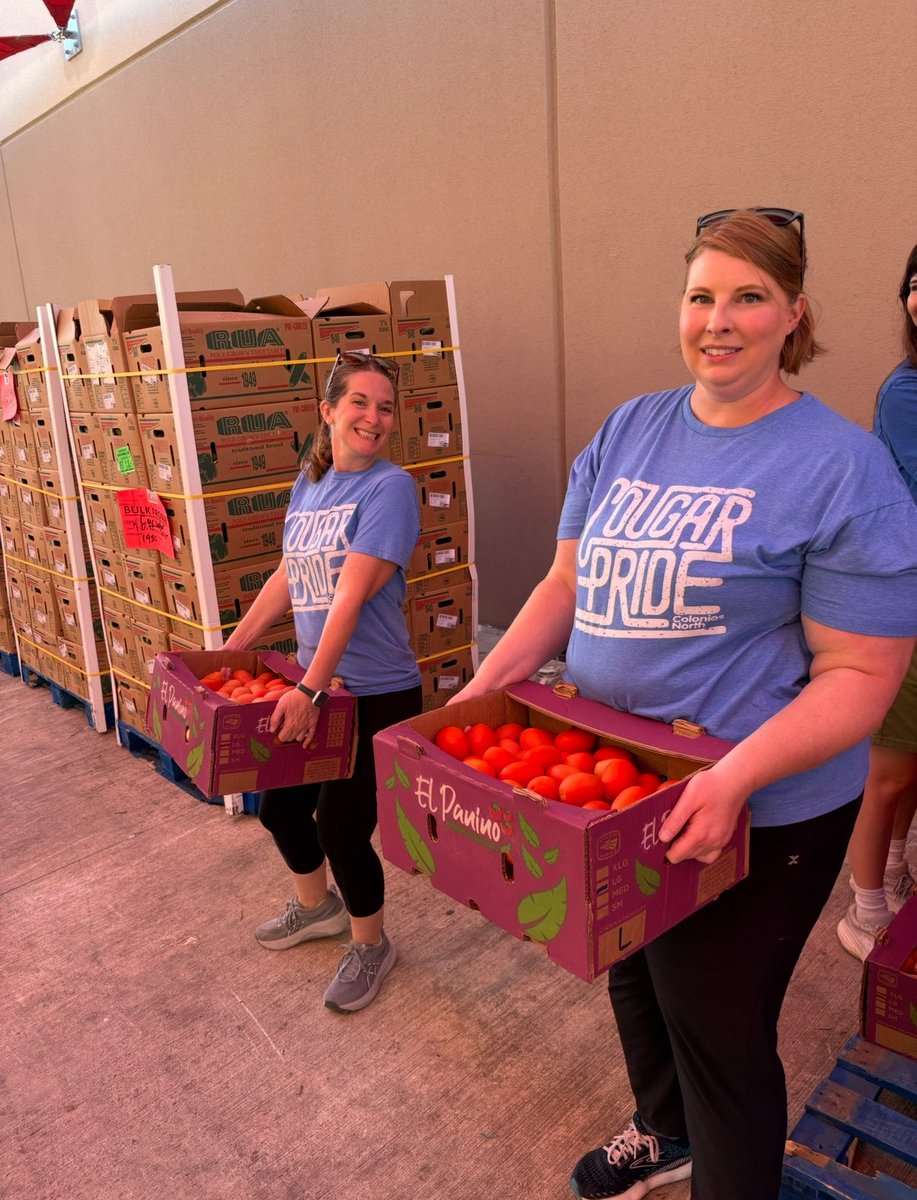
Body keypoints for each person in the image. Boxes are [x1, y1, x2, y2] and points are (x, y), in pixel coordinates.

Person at [450, 210, 917, 1200]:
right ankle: (661, 1131)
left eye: (747, 296)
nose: (718, 319)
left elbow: (860, 679)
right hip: (623, 788)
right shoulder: (628, 428)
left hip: (763, 811)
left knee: (716, 1025)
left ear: (793, 315)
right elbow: (562, 587)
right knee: (632, 964)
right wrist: (490, 686)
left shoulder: (841, 467)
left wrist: (736, 772)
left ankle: (718, 1164)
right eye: (700, 295)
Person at [223, 350, 422, 1013]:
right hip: (316, 686)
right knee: (279, 808)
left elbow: (349, 596)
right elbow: (289, 575)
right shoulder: (309, 485)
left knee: (341, 827)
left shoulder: (388, 489)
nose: (373, 417)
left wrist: (307, 690)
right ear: (328, 411)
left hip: (373, 692)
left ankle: (371, 944)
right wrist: (232, 649)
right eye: (360, 403)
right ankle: (317, 910)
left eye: (385, 407)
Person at [837, 242, 917, 960]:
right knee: (888, 768)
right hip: (901, 602)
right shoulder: (907, 391)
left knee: (911, 765)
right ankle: (862, 910)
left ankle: (894, 870)